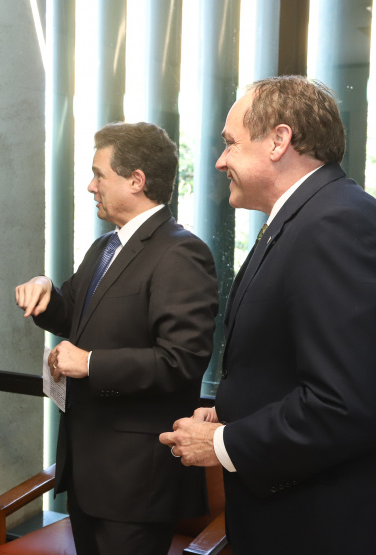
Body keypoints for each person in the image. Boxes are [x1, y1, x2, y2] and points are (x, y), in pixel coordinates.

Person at [160, 76, 376, 553]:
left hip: (314, 524)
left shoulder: (333, 224)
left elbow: (343, 403)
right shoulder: (302, 218)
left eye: (230, 144)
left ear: (279, 140)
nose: (218, 161)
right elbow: (290, 362)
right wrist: (231, 411)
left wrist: (222, 444)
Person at [16, 122, 219, 554]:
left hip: (135, 482)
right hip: (90, 473)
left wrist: (89, 363)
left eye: (98, 174)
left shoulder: (181, 252)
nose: (90, 186)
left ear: (136, 180)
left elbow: (181, 361)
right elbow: (71, 313)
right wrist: (44, 290)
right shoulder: (105, 247)